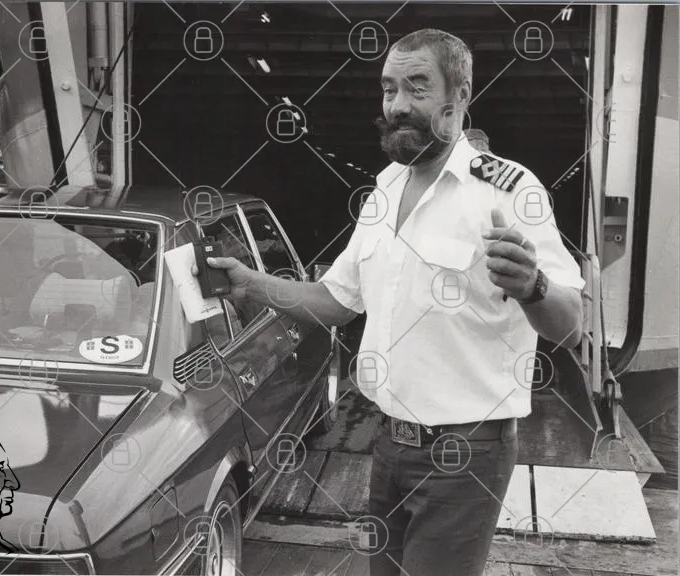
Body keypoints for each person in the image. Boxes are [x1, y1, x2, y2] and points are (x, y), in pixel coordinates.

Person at [200, 28, 584, 575]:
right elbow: (336, 301)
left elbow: (571, 325)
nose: (398, 105)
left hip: (465, 454)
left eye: (417, 87)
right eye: (388, 89)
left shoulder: (508, 190)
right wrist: (250, 284)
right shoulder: (383, 191)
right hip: (390, 444)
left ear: (460, 96)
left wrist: (533, 286)